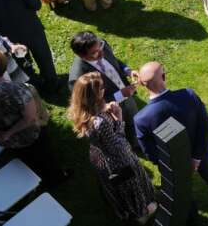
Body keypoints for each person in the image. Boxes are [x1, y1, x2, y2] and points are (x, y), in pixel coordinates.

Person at [134, 62, 208, 212]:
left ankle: (192, 215)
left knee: (182, 192)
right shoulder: (188, 95)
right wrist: (196, 158)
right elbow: (205, 126)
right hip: (201, 153)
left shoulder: (141, 119)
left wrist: (172, 164)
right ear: (164, 76)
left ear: (143, 85)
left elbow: (150, 153)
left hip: (173, 165)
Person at [0, 49, 67, 184]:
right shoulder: (18, 90)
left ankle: (33, 176)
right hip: (28, 135)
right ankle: (56, 178)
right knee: (44, 156)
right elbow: (29, 118)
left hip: (3, 138)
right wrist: (8, 133)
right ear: (4, 66)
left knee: (24, 157)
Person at [68, 72, 158, 224]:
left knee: (118, 188)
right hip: (119, 162)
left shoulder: (84, 113)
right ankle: (141, 213)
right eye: (102, 87)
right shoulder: (100, 122)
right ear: (94, 95)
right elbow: (118, 146)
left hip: (102, 159)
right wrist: (119, 119)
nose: (105, 88)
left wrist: (105, 108)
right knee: (131, 185)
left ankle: (125, 210)